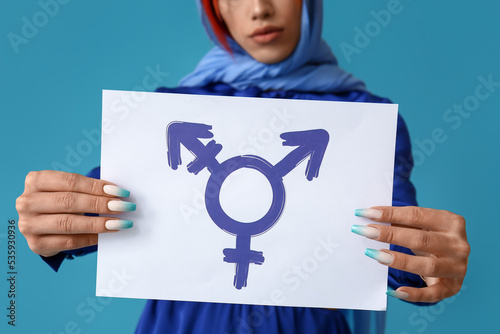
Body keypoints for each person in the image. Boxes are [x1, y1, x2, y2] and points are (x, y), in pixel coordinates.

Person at [16, 0, 470, 333]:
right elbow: (99, 212)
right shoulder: (169, 113)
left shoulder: (366, 122)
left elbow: (398, 258)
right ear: (214, 9)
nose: (259, 9)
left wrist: (432, 261)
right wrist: (46, 224)